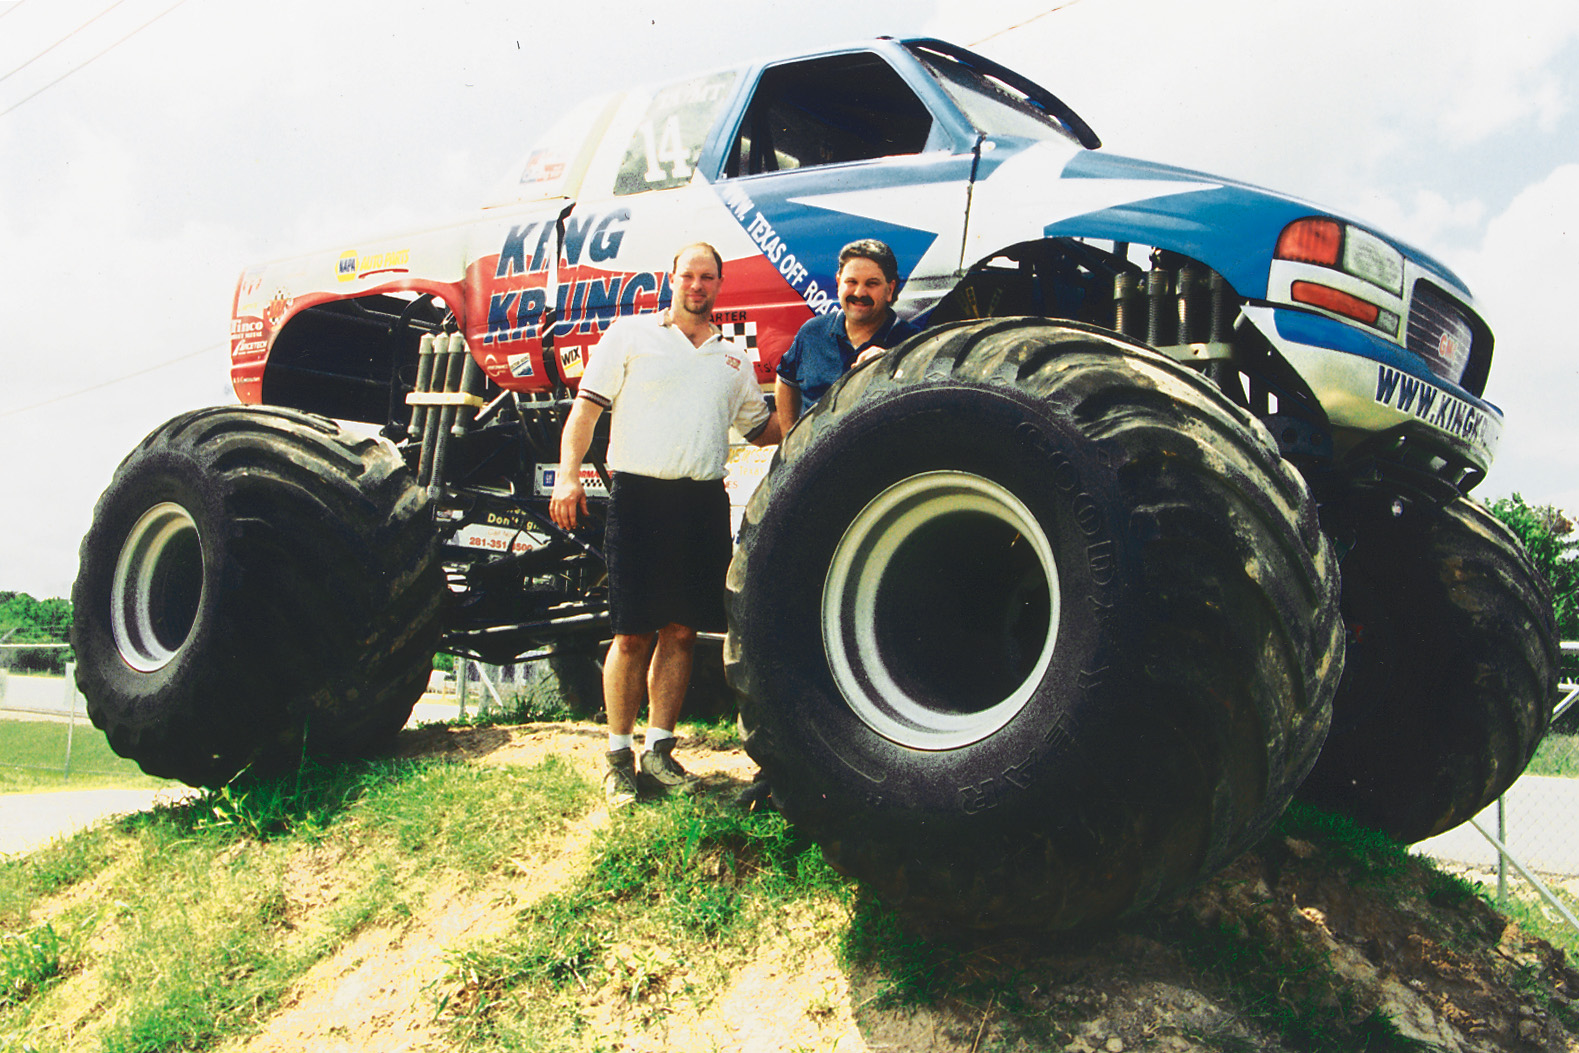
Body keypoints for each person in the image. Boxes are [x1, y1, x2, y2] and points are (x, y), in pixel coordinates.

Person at [550, 242, 782, 807]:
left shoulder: (732, 358)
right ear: (671, 279)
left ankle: (658, 752)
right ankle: (617, 758)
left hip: (701, 500)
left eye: (707, 278)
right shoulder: (629, 335)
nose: (697, 286)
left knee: (682, 631)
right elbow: (585, 412)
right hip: (638, 498)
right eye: (688, 276)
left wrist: (827, 397)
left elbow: (762, 430)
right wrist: (567, 475)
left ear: (719, 286)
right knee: (632, 633)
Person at [773, 238, 922, 436]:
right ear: (838, 283)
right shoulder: (812, 333)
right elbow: (785, 380)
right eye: (851, 282)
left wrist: (891, 364)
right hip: (817, 461)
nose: (859, 292)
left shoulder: (913, 344)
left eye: (872, 284)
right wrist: (788, 439)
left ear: (890, 289)